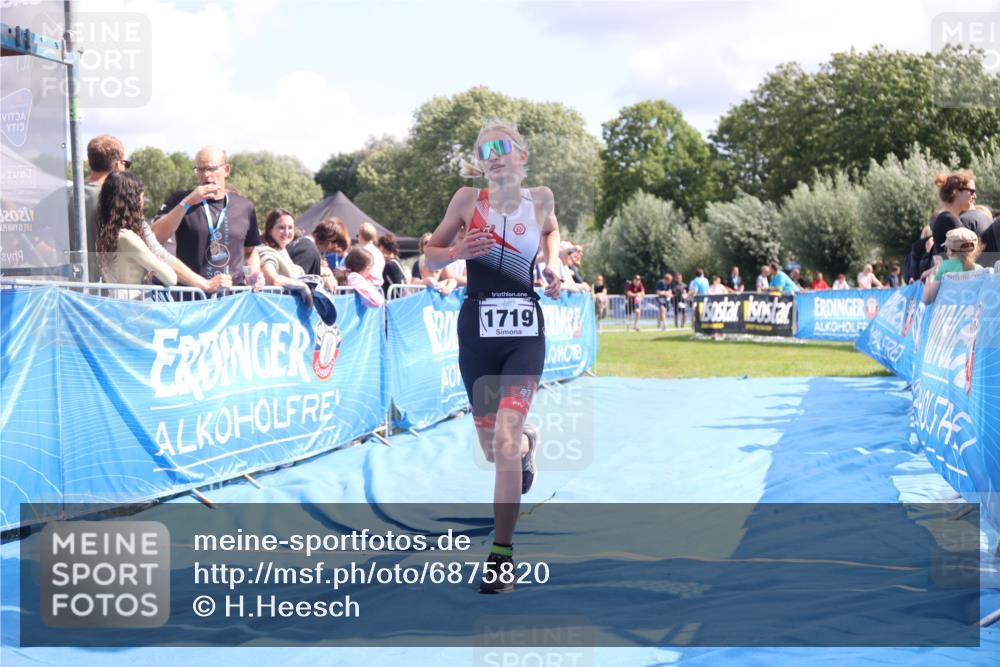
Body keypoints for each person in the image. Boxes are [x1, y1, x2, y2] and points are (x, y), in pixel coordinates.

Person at [423, 119, 561, 593]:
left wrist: (554, 263)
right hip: (477, 333)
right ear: (480, 164)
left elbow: (551, 233)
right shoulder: (467, 201)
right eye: (486, 150)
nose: (495, 155)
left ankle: (502, 558)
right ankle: (527, 447)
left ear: (522, 156)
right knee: (496, 448)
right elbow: (429, 259)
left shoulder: (540, 198)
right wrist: (458, 249)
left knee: (502, 438)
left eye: (504, 147)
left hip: (525, 331)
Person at [152, 145, 263, 289]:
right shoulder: (182, 200)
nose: (206, 175)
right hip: (193, 297)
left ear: (226, 170)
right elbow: (154, 238)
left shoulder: (244, 206)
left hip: (234, 300)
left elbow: (249, 252)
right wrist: (187, 202)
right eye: (200, 169)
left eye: (211, 169)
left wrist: (252, 274)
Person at [95, 171, 177, 292]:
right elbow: (171, 278)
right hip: (134, 306)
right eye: (141, 195)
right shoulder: (126, 237)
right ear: (133, 200)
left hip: (118, 304)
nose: (143, 201)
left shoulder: (106, 233)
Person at [258, 209, 313, 307]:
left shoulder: (281, 250)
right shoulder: (265, 251)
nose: (287, 232)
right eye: (281, 227)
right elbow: (273, 279)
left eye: (290, 227)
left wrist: (325, 273)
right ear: (270, 230)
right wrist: (302, 286)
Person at [923, 228, 983, 304]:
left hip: (948, 313)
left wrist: (931, 276)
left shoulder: (944, 266)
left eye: (945, 248)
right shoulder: (980, 269)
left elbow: (928, 299)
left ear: (950, 251)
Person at [931, 170, 976, 258]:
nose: (974, 196)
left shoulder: (945, 218)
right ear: (956, 192)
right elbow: (970, 254)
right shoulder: (948, 220)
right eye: (971, 191)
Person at [313, 217, 351, 282]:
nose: (335, 246)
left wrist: (345, 273)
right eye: (335, 242)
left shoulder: (349, 257)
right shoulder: (312, 249)